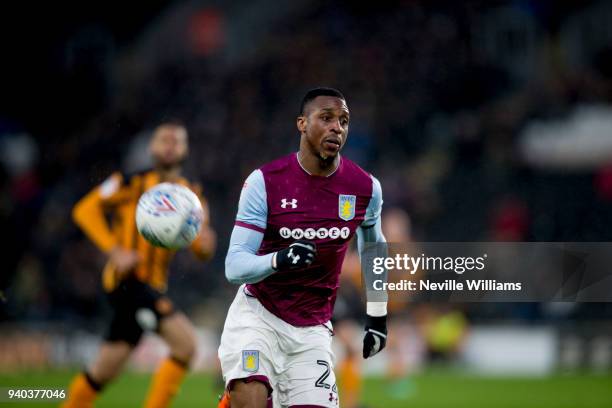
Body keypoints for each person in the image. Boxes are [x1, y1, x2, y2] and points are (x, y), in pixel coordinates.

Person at [218, 88, 387, 407]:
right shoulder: (265, 182)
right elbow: (234, 266)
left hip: (312, 332)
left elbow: (374, 248)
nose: (337, 127)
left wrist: (377, 318)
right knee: (252, 397)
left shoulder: (365, 188)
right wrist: (279, 259)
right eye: (326, 118)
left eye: (344, 120)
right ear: (302, 123)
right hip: (259, 318)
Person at [63, 121, 216, 408]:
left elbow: (201, 248)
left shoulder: (192, 195)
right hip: (127, 281)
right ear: (152, 147)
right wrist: (114, 250)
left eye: (176, 140)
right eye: (163, 140)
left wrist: (205, 245)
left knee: (104, 370)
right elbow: (84, 210)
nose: (170, 145)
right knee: (186, 345)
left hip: (152, 285)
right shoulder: (130, 182)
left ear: (185, 149)